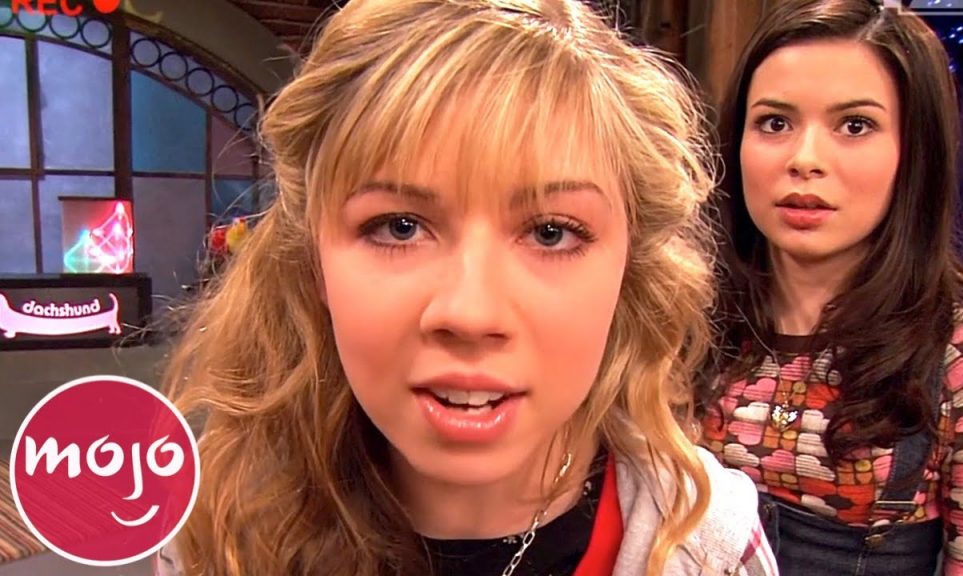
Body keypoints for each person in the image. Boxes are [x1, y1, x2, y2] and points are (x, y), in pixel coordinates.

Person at [156, 0, 777, 575]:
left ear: (629, 269)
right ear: (313, 259)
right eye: (399, 227)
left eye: (551, 233)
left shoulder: (705, 548)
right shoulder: (218, 529)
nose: (471, 312)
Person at [699, 0, 963, 574]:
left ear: (913, 154)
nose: (805, 159)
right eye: (775, 123)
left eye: (855, 126)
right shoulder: (678, 325)